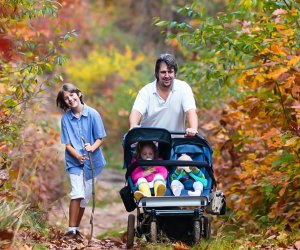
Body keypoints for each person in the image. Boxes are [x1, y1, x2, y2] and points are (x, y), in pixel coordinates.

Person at [56, 83, 106, 239]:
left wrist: (91, 147)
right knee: (76, 193)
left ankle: (75, 229)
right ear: (64, 103)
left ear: (79, 94)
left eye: (72, 95)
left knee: (84, 199)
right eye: (66, 98)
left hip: (92, 163)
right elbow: (67, 144)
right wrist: (77, 155)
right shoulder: (66, 119)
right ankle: (71, 230)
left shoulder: (93, 114)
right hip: (74, 162)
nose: (70, 99)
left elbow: (100, 138)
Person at [129, 53, 198, 136]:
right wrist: (133, 125)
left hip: (176, 144)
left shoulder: (183, 88)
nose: (167, 75)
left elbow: (191, 111)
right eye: (163, 72)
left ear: (175, 73)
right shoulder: (146, 91)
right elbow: (136, 111)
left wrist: (193, 129)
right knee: (148, 149)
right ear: (157, 73)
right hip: (150, 142)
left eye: (170, 72)